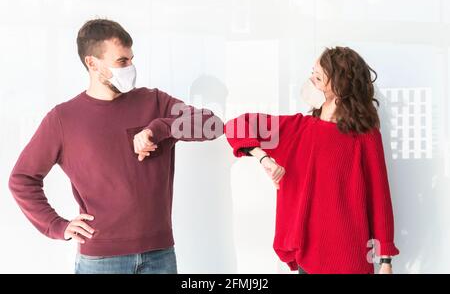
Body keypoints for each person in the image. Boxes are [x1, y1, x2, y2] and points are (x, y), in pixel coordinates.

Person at [9, 19, 223, 274]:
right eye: (121, 61)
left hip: (160, 255)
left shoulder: (154, 101)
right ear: (92, 63)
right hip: (101, 261)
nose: (130, 67)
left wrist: (158, 128)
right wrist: (57, 225)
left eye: (131, 59)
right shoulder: (63, 119)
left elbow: (213, 124)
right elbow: (22, 178)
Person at [224, 46, 400, 274]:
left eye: (317, 77)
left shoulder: (365, 136)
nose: (310, 81)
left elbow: (380, 197)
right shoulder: (298, 129)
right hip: (309, 261)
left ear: (339, 84)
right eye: (312, 74)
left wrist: (385, 261)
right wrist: (263, 158)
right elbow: (236, 126)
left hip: (351, 261)